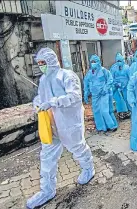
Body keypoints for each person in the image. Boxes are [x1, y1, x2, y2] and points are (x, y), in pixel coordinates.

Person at [28, 48, 95, 209]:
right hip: (50, 124)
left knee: (78, 149)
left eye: (43, 62)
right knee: (47, 158)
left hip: (68, 123)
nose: (41, 66)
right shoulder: (43, 80)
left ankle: (88, 169)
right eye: (39, 63)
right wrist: (37, 102)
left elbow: (75, 97)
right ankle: (47, 190)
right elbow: (41, 97)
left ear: (51, 61)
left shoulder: (67, 75)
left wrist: (53, 102)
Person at [84, 54, 118, 132]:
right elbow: (86, 82)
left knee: (105, 110)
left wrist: (105, 89)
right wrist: (86, 93)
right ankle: (101, 127)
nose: (93, 63)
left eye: (94, 61)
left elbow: (110, 80)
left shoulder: (104, 71)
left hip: (104, 94)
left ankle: (112, 126)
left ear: (98, 62)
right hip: (95, 94)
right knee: (96, 111)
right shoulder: (89, 73)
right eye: (91, 62)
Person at [110, 53, 131, 119]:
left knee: (127, 99)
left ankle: (128, 112)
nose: (119, 62)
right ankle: (121, 113)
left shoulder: (127, 68)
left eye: (120, 61)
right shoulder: (113, 68)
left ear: (123, 60)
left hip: (126, 87)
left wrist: (127, 85)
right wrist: (115, 84)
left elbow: (130, 77)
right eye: (118, 61)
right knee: (119, 101)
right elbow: (111, 77)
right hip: (116, 87)